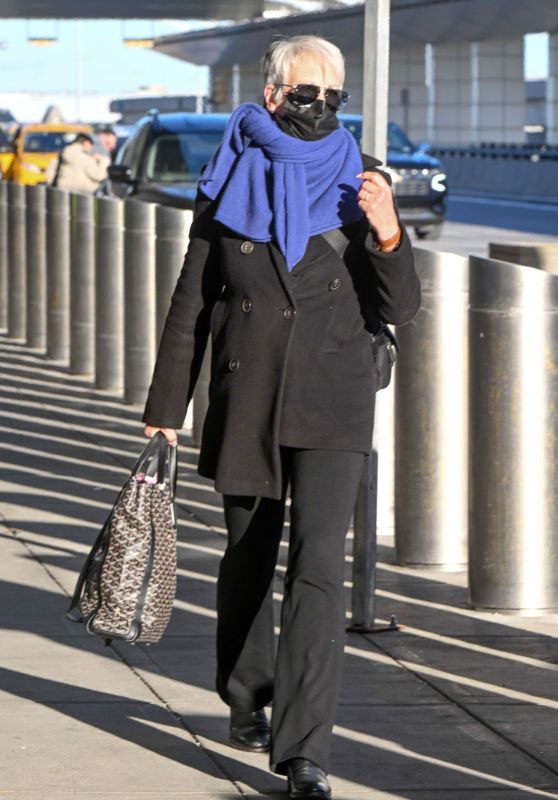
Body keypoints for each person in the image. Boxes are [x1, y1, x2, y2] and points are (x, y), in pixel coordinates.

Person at [143, 34, 420, 800]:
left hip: (333, 399)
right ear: (271, 95)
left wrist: (389, 231)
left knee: (318, 570)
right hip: (249, 395)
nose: (319, 110)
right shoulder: (229, 178)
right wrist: (166, 407)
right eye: (305, 95)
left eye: (331, 98)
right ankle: (244, 691)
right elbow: (192, 301)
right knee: (247, 559)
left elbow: (403, 306)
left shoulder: (358, 180)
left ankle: (306, 753)